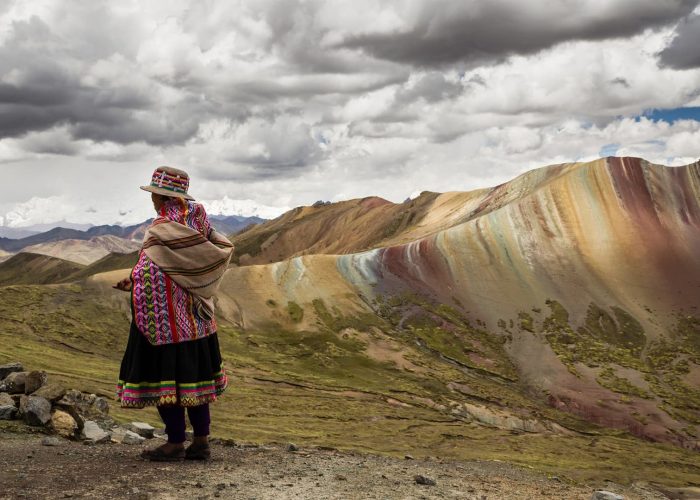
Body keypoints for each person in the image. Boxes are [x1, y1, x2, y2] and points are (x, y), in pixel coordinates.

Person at [114, 166, 234, 461]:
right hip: (198, 321)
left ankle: (175, 442)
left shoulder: (162, 229)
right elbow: (194, 264)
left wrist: (136, 282)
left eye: (154, 193)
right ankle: (201, 441)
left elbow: (154, 272)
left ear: (159, 195)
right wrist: (137, 277)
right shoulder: (199, 223)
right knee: (196, 382)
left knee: (166, 380)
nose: (152, 199)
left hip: (164, 326)